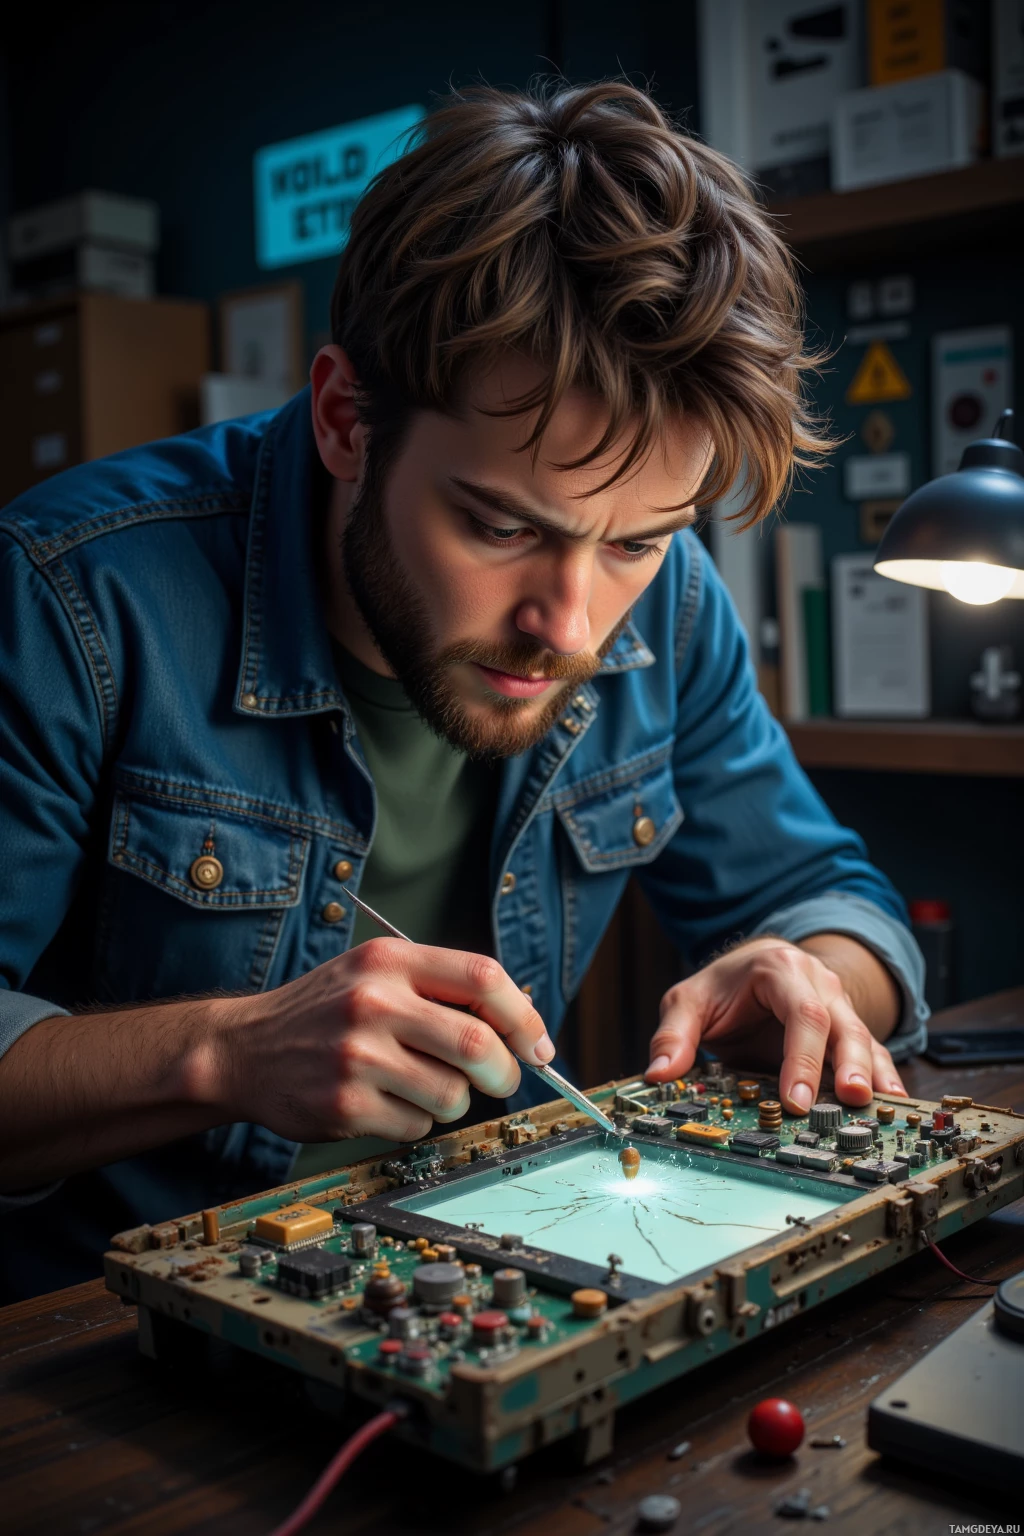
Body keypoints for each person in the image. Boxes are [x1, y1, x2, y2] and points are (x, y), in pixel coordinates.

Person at [0, 82, 925, 1300]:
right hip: (100, 1352)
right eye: (499, 524)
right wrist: (221, 1053)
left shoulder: (678, 601)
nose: (570, 623)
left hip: (481, 1299)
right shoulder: (74, 596)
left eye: (636, 541)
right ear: (344, 417)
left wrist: (809, 971)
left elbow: (834, 902)